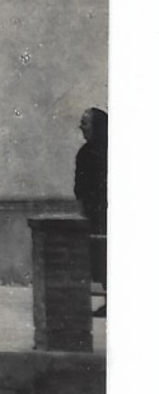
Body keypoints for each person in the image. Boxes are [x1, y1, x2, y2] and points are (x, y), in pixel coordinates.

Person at [74, 106, 108, 316]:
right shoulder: (85, 153)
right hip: (95, 214)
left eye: (85, 123)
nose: (81, 127)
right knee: (100, 257)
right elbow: (81, 188)